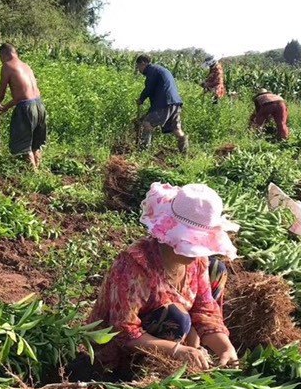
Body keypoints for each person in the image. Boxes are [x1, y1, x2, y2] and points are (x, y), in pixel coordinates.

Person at [89, 182, 239, 371]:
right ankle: (146, 370)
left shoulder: (197, 261)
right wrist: (175, 350)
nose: (197, 254)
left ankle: (194, 351)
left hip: (177, 343)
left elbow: (205, 310)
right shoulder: (135, 264)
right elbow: (123, 331)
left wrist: (225, 348)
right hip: (121, 349)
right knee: (176, 317)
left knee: (217, 270)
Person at [0, 44, 47, 169]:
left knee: (23, 146)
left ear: (3, 55)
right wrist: (6, 107)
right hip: (39, 106)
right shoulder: (26, 66)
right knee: (35, 145)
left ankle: (33, 176)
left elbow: (2, 91)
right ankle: (40, 172)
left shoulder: (7, 66)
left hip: (26, 109)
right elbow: (23, 96)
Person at [135, 55, 188, 153]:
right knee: (177, 130)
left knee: (147, 123)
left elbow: (149, 89)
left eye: (138, 67)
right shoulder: (160, 70)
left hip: (165, 102)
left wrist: (141, 99)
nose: (138, 70)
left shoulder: (151, 71)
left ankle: (143, 152)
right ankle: (184, 153)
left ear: (143, 63)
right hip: (175, 103)